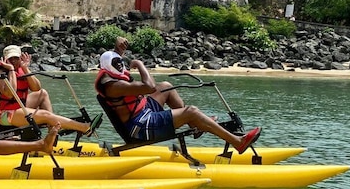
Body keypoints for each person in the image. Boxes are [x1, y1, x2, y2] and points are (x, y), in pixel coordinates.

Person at [95, 50, 261, 154]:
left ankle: (195, 127)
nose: (121, 66)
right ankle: (238, 142)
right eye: (117, 64)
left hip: (143, 112)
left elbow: (116, 61)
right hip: (140, 127)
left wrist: (119, 50)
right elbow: (149, 86)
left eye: (120, 63)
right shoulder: (113, 86)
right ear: (109, 67)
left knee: (166, 86)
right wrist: (139, 64)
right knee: (192, 111)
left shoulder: (109, 75)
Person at [0, 44, 94, 136]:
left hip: (19, 108)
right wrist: (11, 70)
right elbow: (10, 94)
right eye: (10, 59)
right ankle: (83, 127)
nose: (13, 61)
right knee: (45, 115)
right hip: (4, 115)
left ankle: (52, 132)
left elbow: (36, 88)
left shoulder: (21, 69)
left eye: (16, 58)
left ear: (20, 58)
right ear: (4, 59)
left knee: (42, 93)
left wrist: (25, 68)